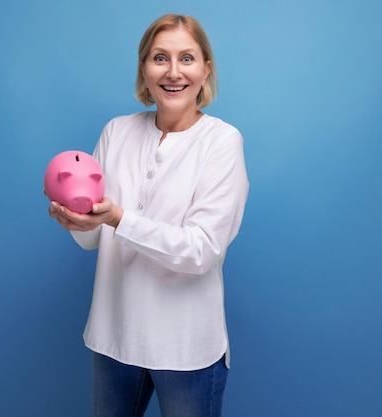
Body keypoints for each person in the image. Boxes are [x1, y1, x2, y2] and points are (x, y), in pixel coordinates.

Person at [48, 14, 248, 417]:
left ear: (206, 69)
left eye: (187, 58)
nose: (173, 72)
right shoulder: (116, 132)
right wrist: (76, 219)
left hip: (187, 347)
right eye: (160, 58)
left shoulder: (222, 142)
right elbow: (92, 239)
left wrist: (119, 218)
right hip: (114, 339)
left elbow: (202, 251)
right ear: (144, 68)